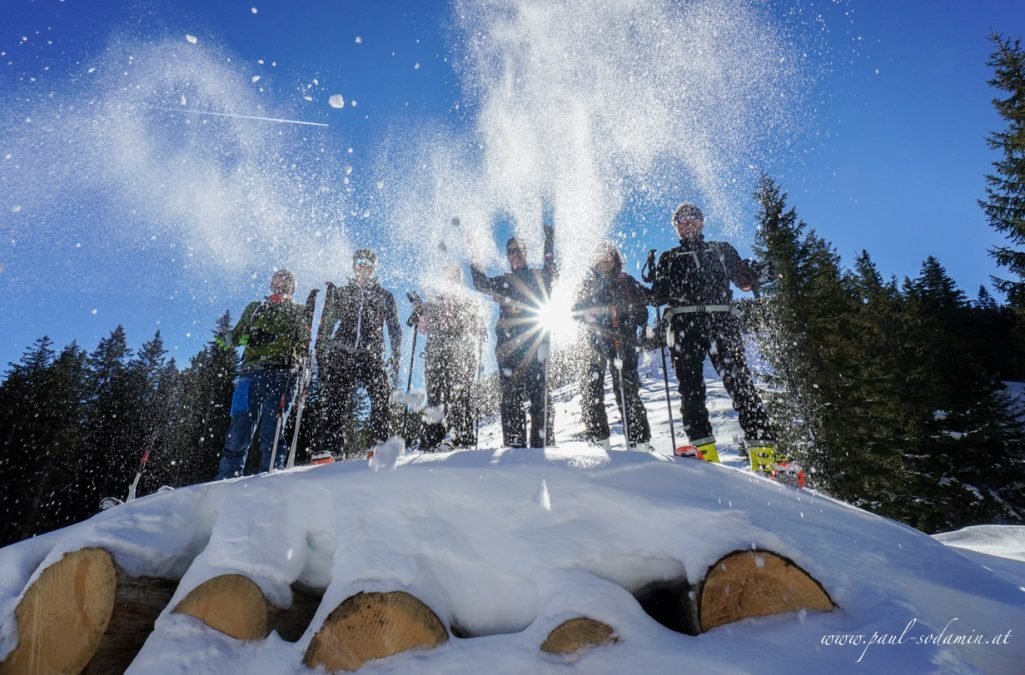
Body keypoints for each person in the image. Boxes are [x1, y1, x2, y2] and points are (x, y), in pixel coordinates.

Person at [650, 202, 776, 472]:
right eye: (681, 221)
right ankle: (704, 454)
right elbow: (658, 296)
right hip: (685, 325)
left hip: (721, 321)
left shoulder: (721, 250)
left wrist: (753, 276)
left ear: (701, 222)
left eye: (692, 218)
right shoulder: (669, 257)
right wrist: (656, 283)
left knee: (741, 383)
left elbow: (742, 279)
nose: (687, 223)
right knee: (691, 391)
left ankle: (764, 455)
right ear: (676, 227)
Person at [216, 269, 310, 479]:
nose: (280, 285)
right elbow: (239, 334)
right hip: (249, 375)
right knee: (238, 432)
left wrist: (273, 340)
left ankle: (271, 478)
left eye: (285, 282)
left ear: (292, 288)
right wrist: (231, 338)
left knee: (272, 430)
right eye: (277, 281)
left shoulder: (298, 311)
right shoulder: (256, 307)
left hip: (282, 374)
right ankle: (226, 480)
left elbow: (302, 342)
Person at [471, 224, 556, 448]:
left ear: (526, 252)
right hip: (508, 348)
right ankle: (514, 441)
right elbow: (480, 283)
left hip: (536, 344)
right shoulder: (503, 281)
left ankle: (543, 441)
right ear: (507, 257)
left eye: (519, 249)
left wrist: (549, 240)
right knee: (510, 397)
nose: (516, 254)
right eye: (511, 251)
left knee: (540, 394)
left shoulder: (538, 276)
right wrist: (474, 252)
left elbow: (551, 270)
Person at [317, 249, 402, 454]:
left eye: (368, 262)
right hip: (342, 351)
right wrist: (321, 348)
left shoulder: (384, 296)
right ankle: (331, 449)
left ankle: (379, 445)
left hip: (370, 354)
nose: (363, 265)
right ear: (354, 265)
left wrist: (396, 353)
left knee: (381, 395)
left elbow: (394, 326)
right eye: (359, 261)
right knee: (335, 399)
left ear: (374, 267)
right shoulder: (343, 292)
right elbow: (328, 323)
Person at [574, 241, 652, 451]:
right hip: (596, 342)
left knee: (627, 390)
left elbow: (646, 303)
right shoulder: (588, 284)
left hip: (623, 341)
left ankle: (638, 442)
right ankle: (599, 440)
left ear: (614, 258)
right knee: (591, 389)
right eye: (598, 256)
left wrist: (630, 317)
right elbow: (575, 310)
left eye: (607, 256)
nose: (603, 260)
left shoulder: (626, 281)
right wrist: (593, 317)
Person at [418, 265, 487, 450]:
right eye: (447, 275)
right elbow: (423, 328)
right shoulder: (434, 300)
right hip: (436, 351)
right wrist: (420, 312)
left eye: (454, 276)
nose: (450, 279)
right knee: (434, 393)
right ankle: (433, 437)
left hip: (460, 351)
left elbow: (474, 328)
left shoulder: (466, 301)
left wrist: (479, 322)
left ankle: (459, 434)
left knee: (458, 392)